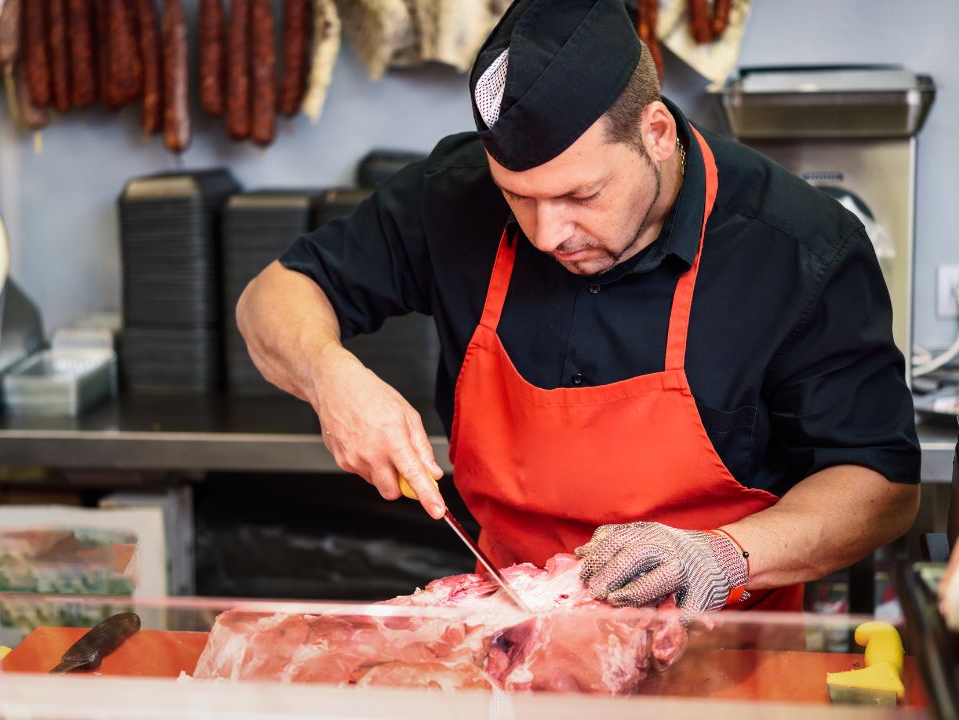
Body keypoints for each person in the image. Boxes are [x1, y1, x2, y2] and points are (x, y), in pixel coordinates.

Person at [236, 0, 920, 612]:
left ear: (656, 132)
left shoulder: (798, 248)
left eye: (580, 197)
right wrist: (330, 377)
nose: (546, 233)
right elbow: (273, 297)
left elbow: (881, 484)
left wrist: (721, 556)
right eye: (518, 198)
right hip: (516, 646)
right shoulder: (453, 196)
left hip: (727, 657)